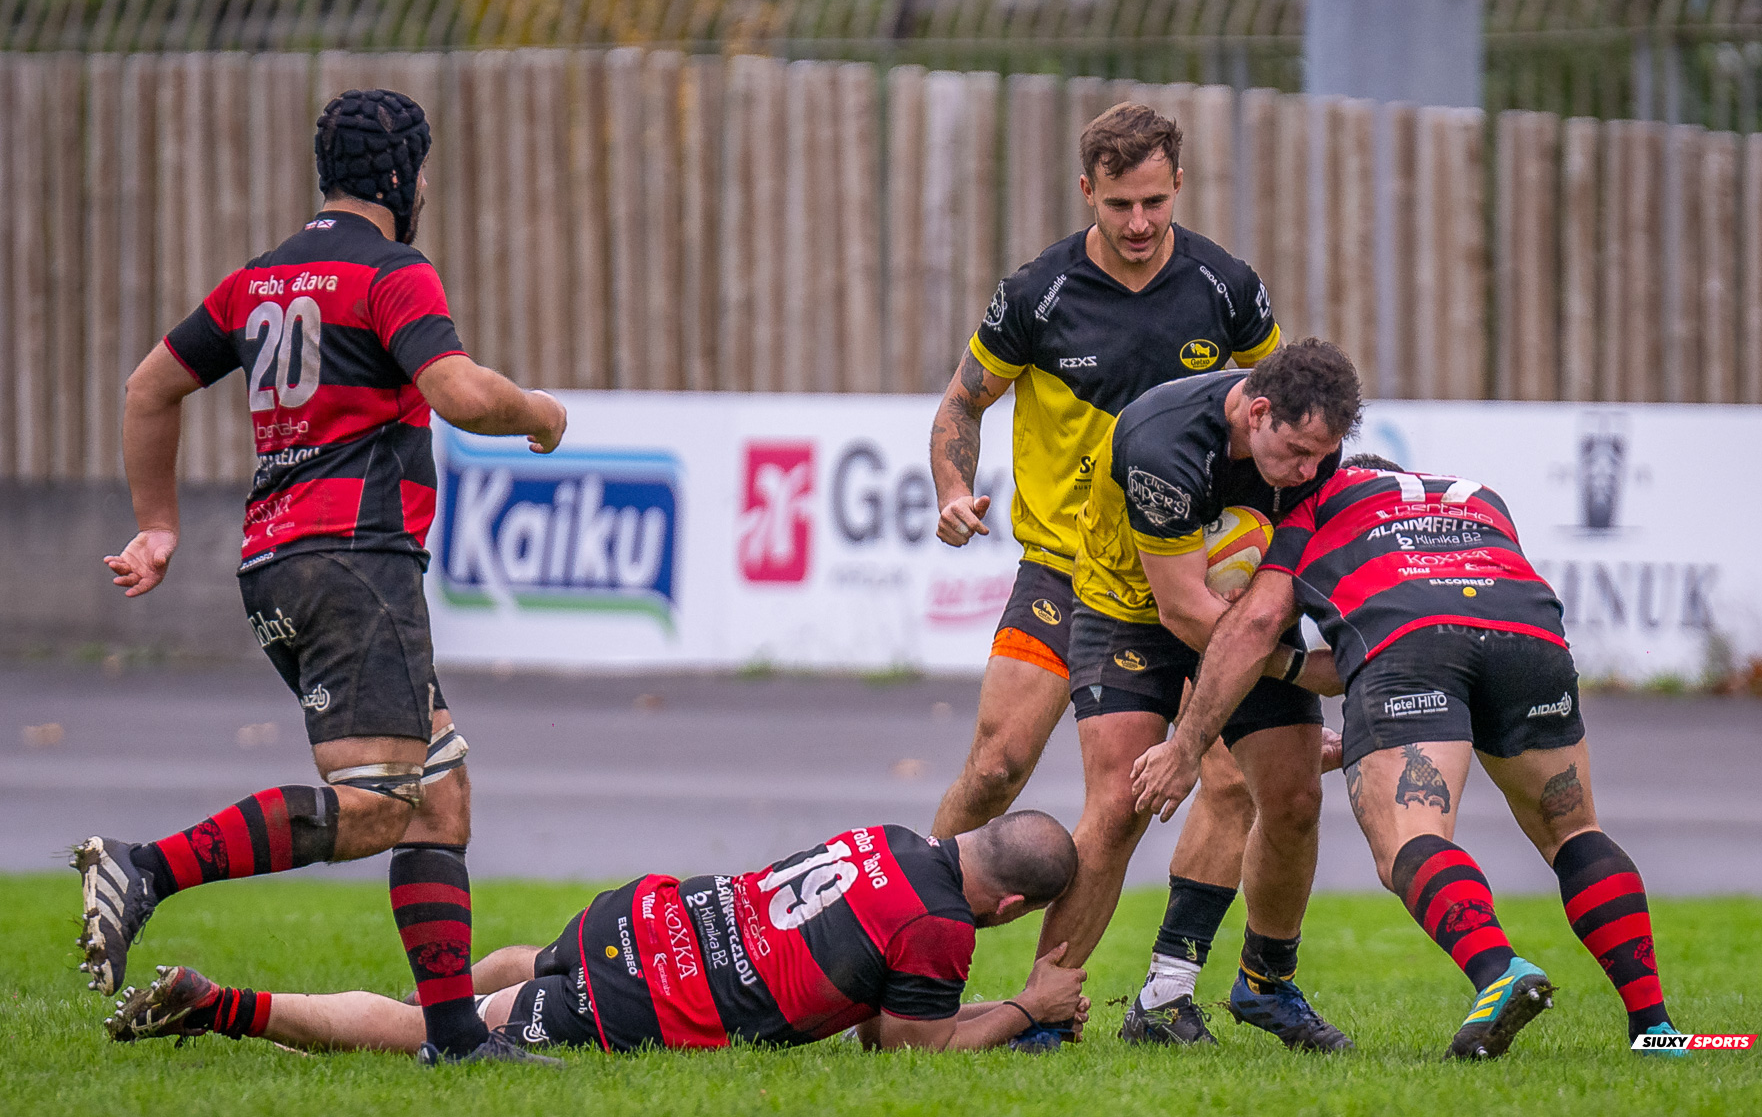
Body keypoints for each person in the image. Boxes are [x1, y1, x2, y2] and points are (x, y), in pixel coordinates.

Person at [77, 89, 568, 1066]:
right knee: (384, 801)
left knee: (443, 794)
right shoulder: (392, 272)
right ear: (398, 175)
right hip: (355, 565)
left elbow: (150, 387)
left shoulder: (259, 280)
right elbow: (459, 392)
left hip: (279, 565)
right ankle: (142, 866)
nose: (423, 187)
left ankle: (458, 1040)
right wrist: (540, 413)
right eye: (420, 170)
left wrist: (158, 525)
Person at [927, 103, 1289, 1044]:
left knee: (1177, 790)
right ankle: (904, 940)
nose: (1139, 224)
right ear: (1088, 191)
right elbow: (960, 404)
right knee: (999, 765)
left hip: (1184, 569)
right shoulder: (1038, 293)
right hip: (1060, 568)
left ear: (1180, 188)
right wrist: (955, 488)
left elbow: (1284, 411)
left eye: (1157, 202)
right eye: (1121, 203)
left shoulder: (1226, 287)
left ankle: (1069, 1005)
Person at [1131, 454, 1687, 1059]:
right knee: (1574, 830)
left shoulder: (1316, 503)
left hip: (1410, 645)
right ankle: (1656, 1028)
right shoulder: (1480, 497)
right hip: (1532, 637)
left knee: (1409, 836)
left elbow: (1265, 619)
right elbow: (1465, 617)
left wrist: (1247, 670)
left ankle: (1498, 971)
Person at [105, 812, 1088, 1059]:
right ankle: (219, 1003)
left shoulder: (895, 840)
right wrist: (1026, 1006)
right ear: (1007, 908)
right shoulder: (940, 927)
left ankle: (422, 995)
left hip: (652, 910)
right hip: (653, 992)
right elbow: (905, 1046)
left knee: (517, 961)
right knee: (446, 1036)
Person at [1054, 339, 1361, 1051]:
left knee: (1290, 796)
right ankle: (1044, 1005)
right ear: (1257, 412)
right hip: (1132, 607)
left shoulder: (1313, 454)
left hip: (1245, 619)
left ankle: (1242, 987)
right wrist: (1205, 732)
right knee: (1121, 806)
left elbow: (1281, 589)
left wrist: (1284, 674)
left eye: (1324, 455)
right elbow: (1184, 611)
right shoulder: (1164, 445)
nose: (1312, 471)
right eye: (1299, 454)